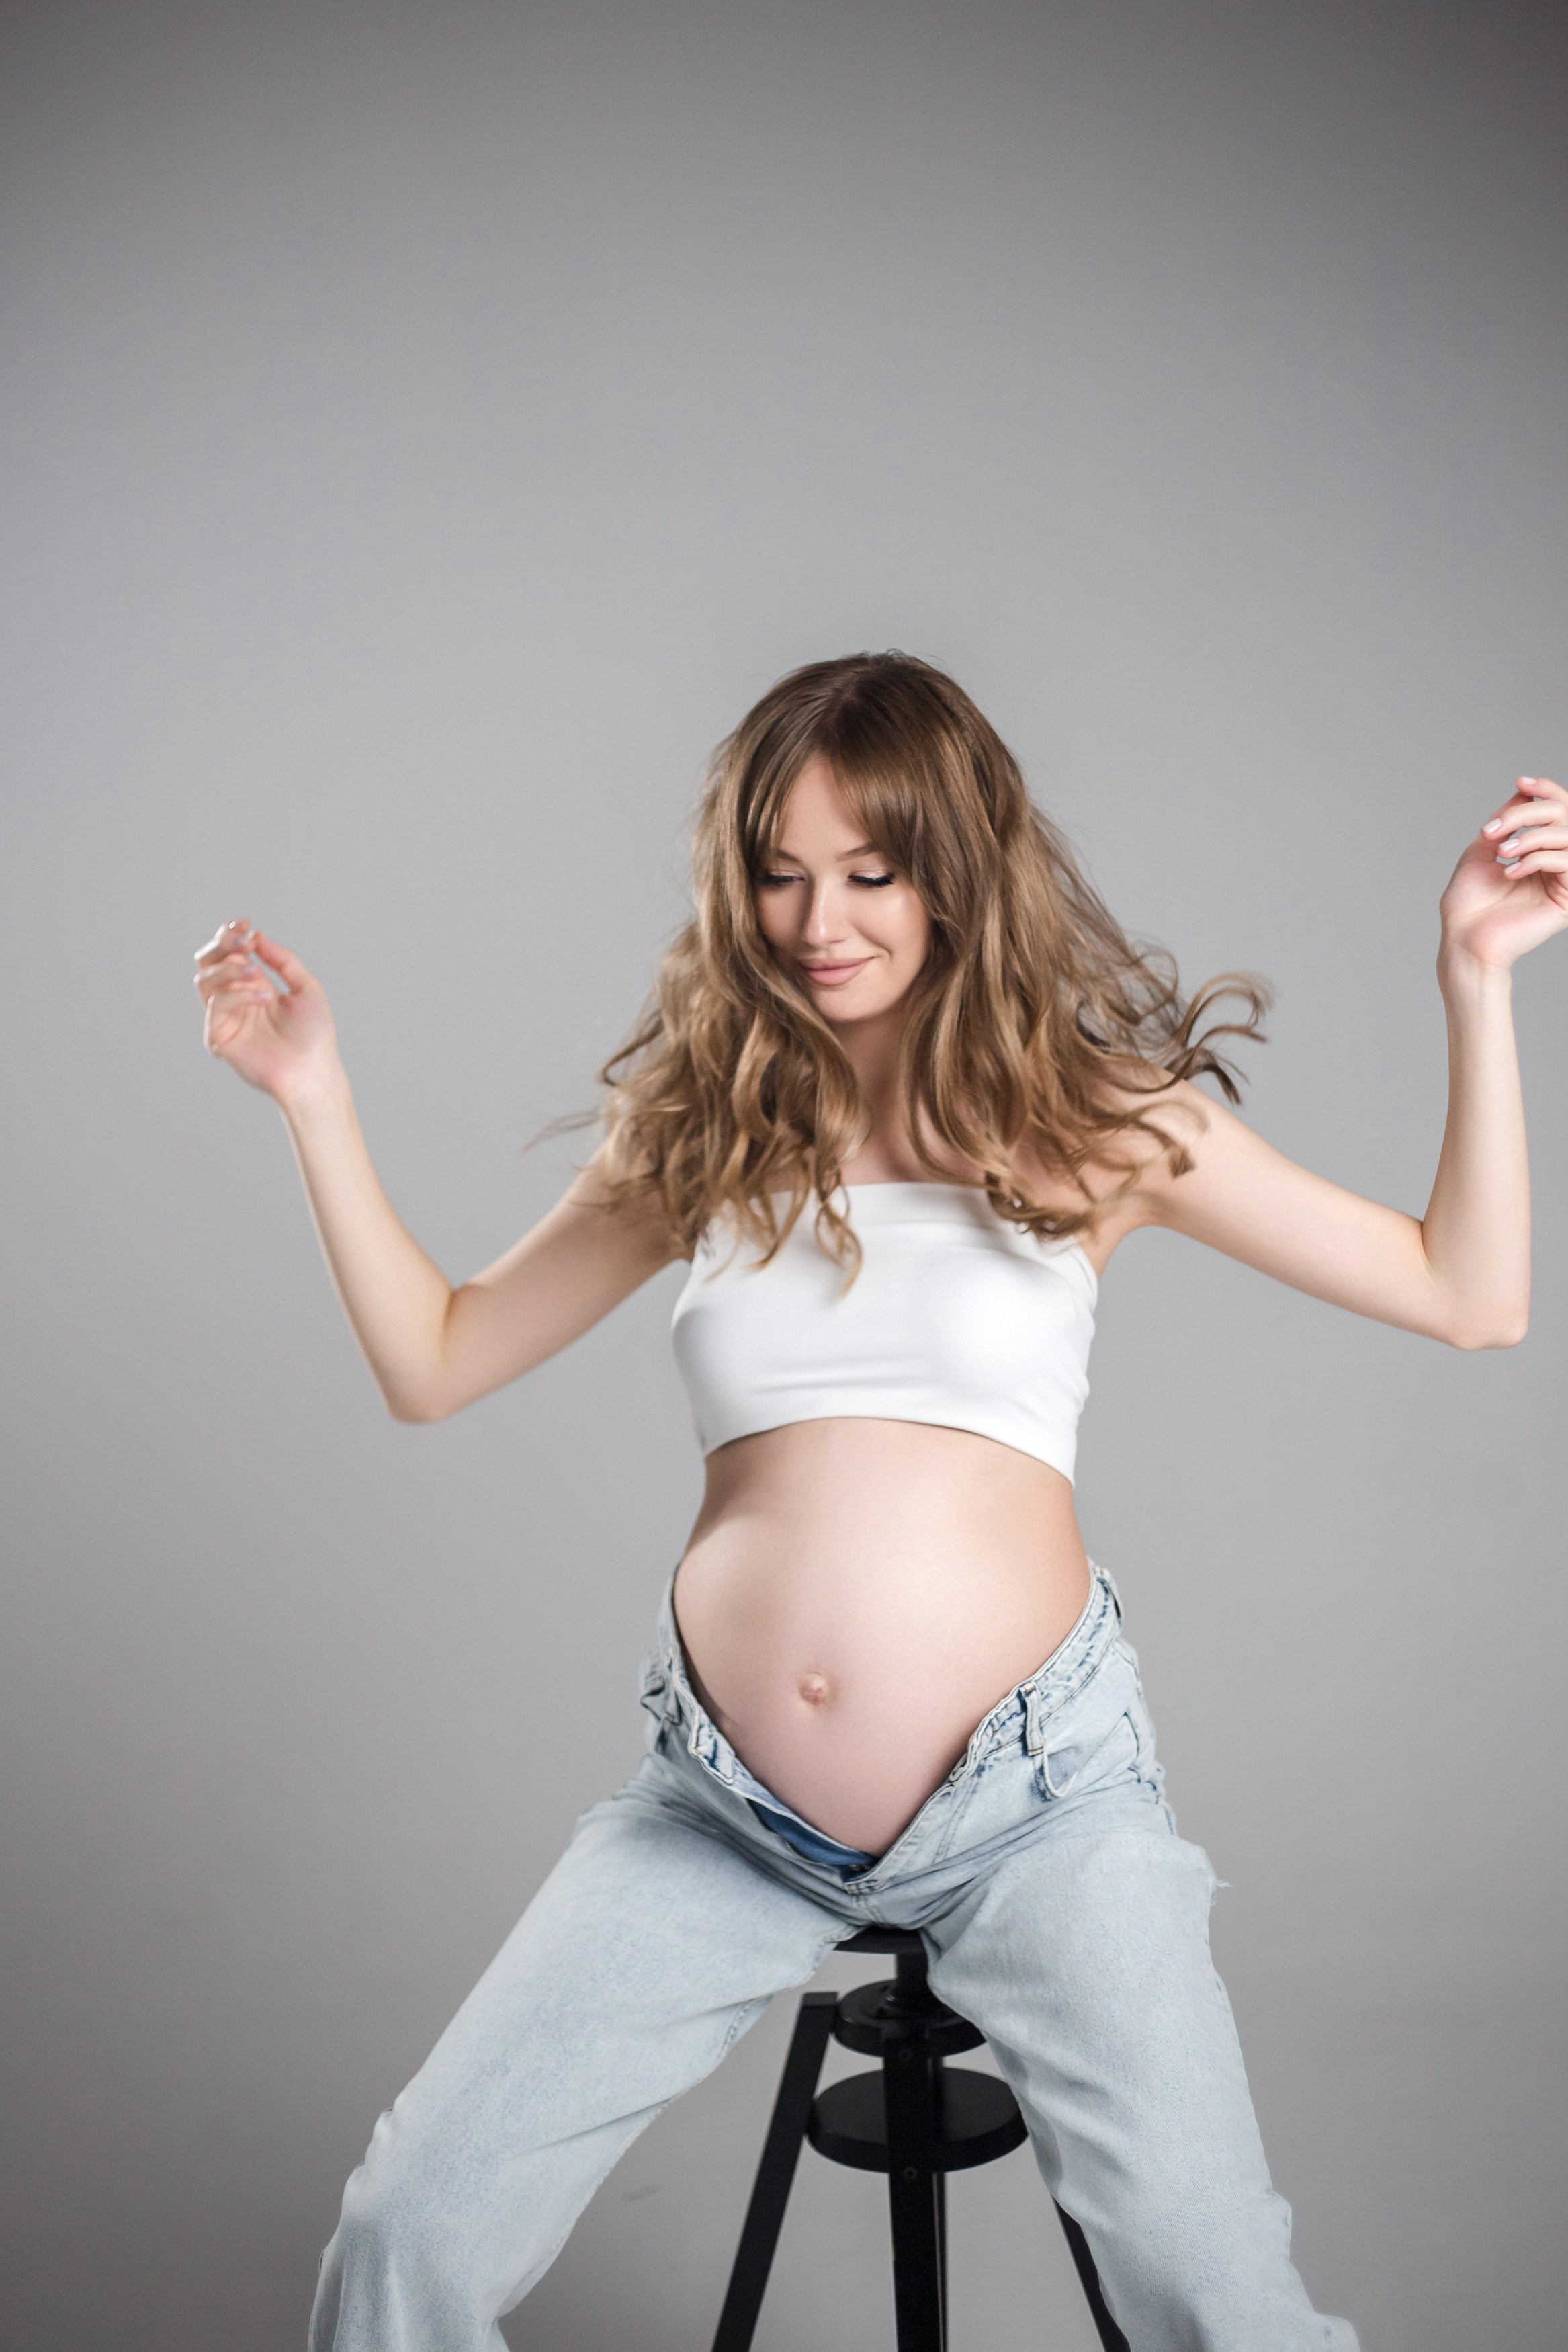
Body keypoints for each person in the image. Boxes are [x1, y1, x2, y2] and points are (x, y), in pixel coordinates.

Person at [194, 653, 1562, 2351]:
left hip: (1040, 1807)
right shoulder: (703, 1132)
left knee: (1217, 2294)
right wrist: (316, 1098)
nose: (817, 921)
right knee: (407, 2229)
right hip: (722, 1814)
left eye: (870, 871)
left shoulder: (1095, 1122)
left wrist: (1474, 978)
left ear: (955, 872)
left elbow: (1468, 1292)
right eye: (778, 872)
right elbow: (437, 1358)